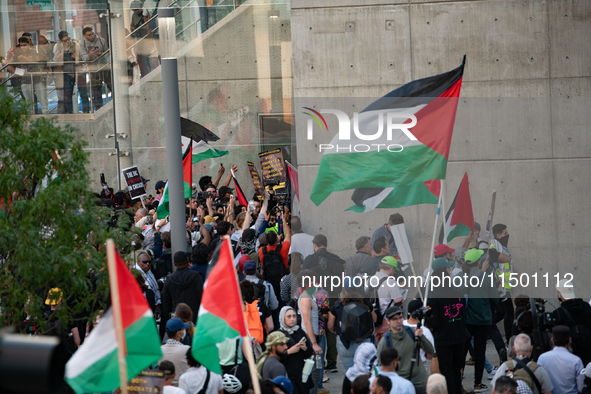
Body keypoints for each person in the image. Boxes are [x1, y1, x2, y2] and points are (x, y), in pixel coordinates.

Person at [461, 248, 498, 393]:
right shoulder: (487, 278)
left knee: (462, 351)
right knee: (480, 351)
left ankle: (459, 380)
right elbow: (495, 299)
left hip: (467, 321)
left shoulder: (462, 278)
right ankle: (477, 384)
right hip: (483, 320)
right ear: (479, 261)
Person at [427, 258, 466, 394]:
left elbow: (434, 323)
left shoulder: (435, 299)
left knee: (447, 371)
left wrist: (428, 315)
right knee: (456, 370)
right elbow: (463, 316)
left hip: (444, 340)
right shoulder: (459, 295)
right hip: (459, 337)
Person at [377, 306, 434, 394]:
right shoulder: (385, 341)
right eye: (395, 319)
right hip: (401, 385)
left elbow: (430, 351)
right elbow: (380, 366)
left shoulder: (412, 332)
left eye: (400, 317)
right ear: (388, 321)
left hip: (420, 382)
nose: (399, 321)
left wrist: (421, 337)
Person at [328, 280, 376, 370]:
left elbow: (330, 326)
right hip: (364, 341)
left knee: (350, 374)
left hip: (344, 343)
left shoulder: (337, 305)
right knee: (365, 372)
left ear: (344, 289)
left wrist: (336, 331)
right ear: (358, 289)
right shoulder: (366, 303)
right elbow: (374, 319)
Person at [160, 252, 204, 339]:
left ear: (174, 263)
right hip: (195, 318)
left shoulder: (169, 280)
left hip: (177, 319)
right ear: (187, 261)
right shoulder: (196, 277)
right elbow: (202, 298)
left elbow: (166, 303)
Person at [551, 279, 591, 365]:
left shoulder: (558, 313)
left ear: (560, 294)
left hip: (570, 356)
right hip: (589, 352)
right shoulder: (587, 307)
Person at [537, 325, 585, 394]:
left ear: (552, 340)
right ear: (569, 340)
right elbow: (581, 387)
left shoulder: (542, 358)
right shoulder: (576, 360)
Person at [489, 223, 515, 345]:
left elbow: (508, 265)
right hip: (501, 287)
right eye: (505, 233)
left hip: (505, 286)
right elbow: (492, 258)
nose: (507, 235)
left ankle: (486, 325)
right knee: (508, 313)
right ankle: (510, 339)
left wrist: (518, 277)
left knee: (501, 313)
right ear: (498, 235)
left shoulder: (503, 246)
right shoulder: (495, 244)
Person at [278, 306, 315, 394]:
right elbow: (274, 357)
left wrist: (305, 348)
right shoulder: (278, 335)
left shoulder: (299, 331)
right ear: (282, 318)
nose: (292, 319)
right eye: (289, 316)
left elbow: (309, 352)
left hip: (302, 373)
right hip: (288, 375)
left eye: (294, 316)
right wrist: (289, 351)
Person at [368, 256, 404, 344]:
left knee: (378, 350)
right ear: (391, 269)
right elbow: (399, 301)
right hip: (387, 320)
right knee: (389, 349)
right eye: (394, 270)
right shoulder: (391, 282)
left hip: (374, 321)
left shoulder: (369, 280)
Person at [78, 26, 111, 111]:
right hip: (92, 69)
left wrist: (101, 54)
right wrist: (90, 55)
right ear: (84, 36)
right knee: (96, 90)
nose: (92, 36)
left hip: (104, 67)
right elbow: (83, 58)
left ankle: (114, 105)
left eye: (92, 34)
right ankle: (99, 109)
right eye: (89, 35)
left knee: (111, 85)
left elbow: (108, 54)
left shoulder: (101, 40)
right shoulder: (82, 44)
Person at [403, 300, 435, 367]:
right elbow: (430, 355)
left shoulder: (400, 325)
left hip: (402, 364)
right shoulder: (425, 331)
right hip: (419, 366)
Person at [160, 318, 191, 386]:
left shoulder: (159, 350)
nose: (184, 331)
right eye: (183, 329)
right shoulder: (187, 350)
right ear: (178, 333)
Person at [53, 31, 78, 114]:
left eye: (69, 39)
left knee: (69, 94)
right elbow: (55, 59)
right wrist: (61, 55)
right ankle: (68, 112)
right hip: (63, 73)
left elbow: (80, 58)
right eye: (65, 40)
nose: (68, 41)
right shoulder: (58, 46)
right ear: (60, 41)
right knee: (65, 95)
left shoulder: (74, 44)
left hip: (73, 71)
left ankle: (69, 112)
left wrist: (75, 56)